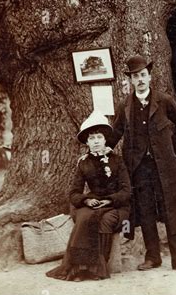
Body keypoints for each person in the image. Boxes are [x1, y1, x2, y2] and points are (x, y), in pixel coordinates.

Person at [111, 54, 176, 272]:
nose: (139, 79)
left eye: (143, 75)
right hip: (138, 169)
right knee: (146, 211)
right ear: (130, 80)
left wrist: (170, 149)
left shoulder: (164, 101)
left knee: (172, 209)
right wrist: (98, 149)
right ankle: (153, 257)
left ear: (149, 77)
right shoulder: (125, 106)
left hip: (166, 166)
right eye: (135, 76)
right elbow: (115, 134)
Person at [46, 110, 131, 281]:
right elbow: (74, 193)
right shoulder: (83, 163)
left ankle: (97, 268)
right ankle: (79, 268)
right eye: (91, 139)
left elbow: (126, 191)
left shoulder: (117, 160)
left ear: (105, 139)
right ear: (87, 142)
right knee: (84, 217)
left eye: (99, 137)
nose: (96, 142)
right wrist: (87, 200)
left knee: (105, 221)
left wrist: (109, 200)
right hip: (92, 203)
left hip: (116, 206)